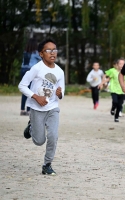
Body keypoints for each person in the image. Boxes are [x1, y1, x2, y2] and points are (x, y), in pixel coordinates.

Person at [18, 38, 65, 175]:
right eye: (48, 50)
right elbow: (22, 85)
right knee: (39, 141)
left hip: (52, 107)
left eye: (54, 50)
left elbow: (62, 93)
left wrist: (60, 94)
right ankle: (32, 127)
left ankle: (47, 164)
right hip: (37, 108)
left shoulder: (60, 71)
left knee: (53, 136)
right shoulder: (36, 68)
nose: (52, 53)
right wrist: (36, 97)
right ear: (41, 54)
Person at [20, 38, 41, 116]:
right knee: (31, 90)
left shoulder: (25, 52)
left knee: (25, 90)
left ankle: (22, 109)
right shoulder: (35, 53)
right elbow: (42, 58)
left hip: (23, 69)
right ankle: (28, 110)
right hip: (30, 70)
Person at [105, 58, 125, 122]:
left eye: (123, 64)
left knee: (120, 105)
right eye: (120, 64)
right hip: (114, 90)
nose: (122, 65)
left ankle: (116, 117)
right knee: (115, 102)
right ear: (117, 64)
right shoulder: (113, 71)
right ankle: (113, 108)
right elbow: (108, 78)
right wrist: (102, 83)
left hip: (122, 91)